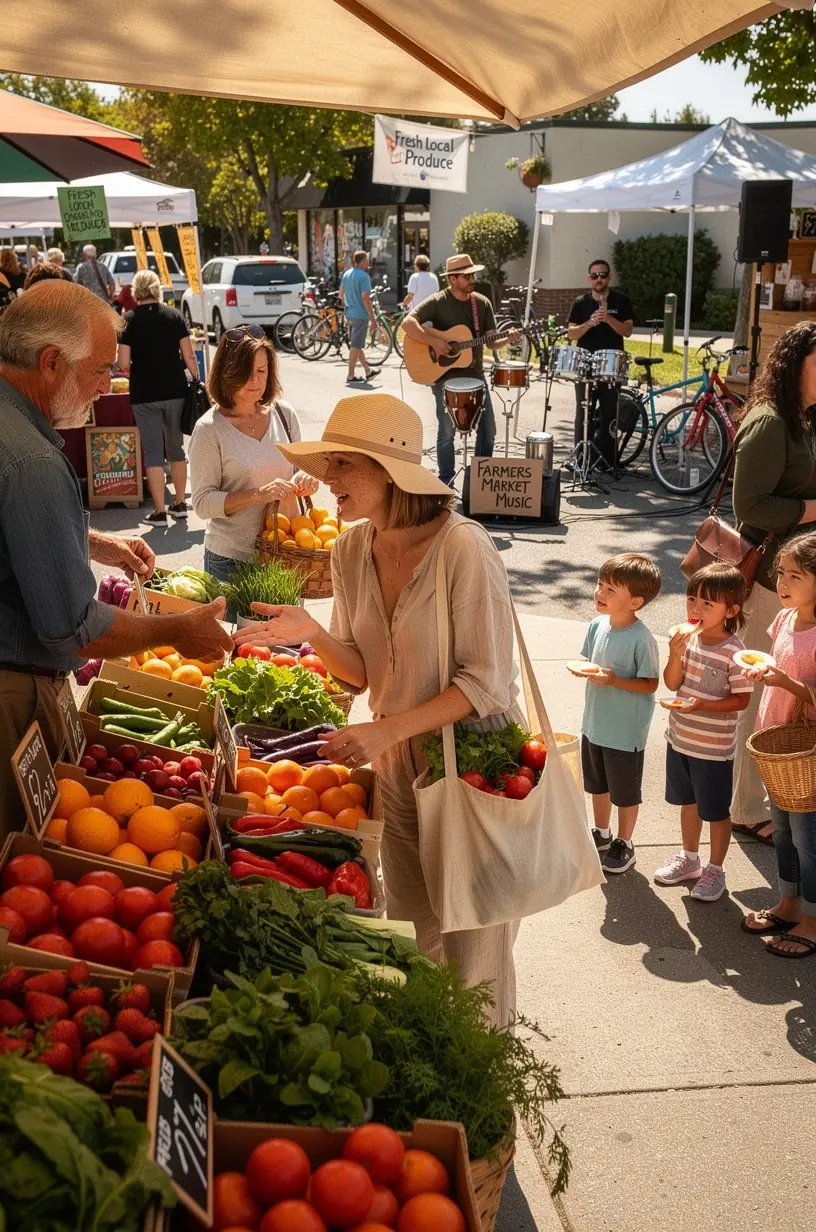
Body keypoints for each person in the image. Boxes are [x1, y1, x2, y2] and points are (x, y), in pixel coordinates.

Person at [233, 393, 522, 1025]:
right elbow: (363, 669)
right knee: (415, 938)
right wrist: (310, 632)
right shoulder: (349, 549)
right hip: (398, 773)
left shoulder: (462, 549)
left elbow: (488, 684)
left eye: (343, 466)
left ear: (390, 474)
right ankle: (432, 1069)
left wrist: (381, 730)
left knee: (475, 956)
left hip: (470, 777)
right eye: (329, 465)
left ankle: (483, 1090)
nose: (328, 479)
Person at [0, 280, 232, 839]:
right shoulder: (30, 460)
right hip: (11, 690)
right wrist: (177, 629)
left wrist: (90, 541)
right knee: (16, 855)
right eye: (101, 370)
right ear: (51, 362)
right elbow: (71, 632)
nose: (109, 387)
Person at [731, 321, 816, 845]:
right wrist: (809, 508)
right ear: (796, 364)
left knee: (789, 697)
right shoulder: (768, 422)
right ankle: (744, 805)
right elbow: (749, 505)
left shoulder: (802, 420)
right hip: (769, 581)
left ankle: (782, 792)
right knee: (761, 699)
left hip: (798, 578)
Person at [188, 324, 318, 602]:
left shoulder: (284, 414)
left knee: (288, 645)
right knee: (239, 644)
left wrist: (306, 479)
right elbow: (202, 503)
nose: (255, 381)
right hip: (232, 561)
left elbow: (299, 467)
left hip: (285, 554)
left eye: (262, 371)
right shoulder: (209, 429)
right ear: (226, 372)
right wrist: (259, 494)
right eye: (246, 372)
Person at [655, 565, 752, 902]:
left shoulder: (734, 652)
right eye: (692, 599)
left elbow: (741, 699)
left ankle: (715, 869)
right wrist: (675, 653)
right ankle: (689, 858)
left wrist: (701, 705)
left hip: (713, 748)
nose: (695, 609)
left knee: (715, 811)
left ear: (731, 611)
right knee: (688, 803)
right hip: (680, 738)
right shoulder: (688, 639)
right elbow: (671, 683)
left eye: (708, 604)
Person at [741, 533, 816, 956]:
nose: (783, 582)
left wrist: (785, 681)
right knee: (783, 829)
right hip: (778, 744)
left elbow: (796, 680)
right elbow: (777, 660)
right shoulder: (786, 619)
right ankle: (789, 902)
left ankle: (813, 918)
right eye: (781, 573)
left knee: (809, 836)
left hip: (809, 750)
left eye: (796, 575)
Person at [401, 253, 519, 489]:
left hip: (474, 375)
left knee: (488, 430)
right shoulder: (438, 301)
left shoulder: (481, 303)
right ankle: (446, 480)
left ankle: (480, 480)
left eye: (472, 275)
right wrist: (433, 342)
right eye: (466, 276)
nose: (471, 279)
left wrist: (508, 339)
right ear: (452, 279)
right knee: (447, 431)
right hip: (444, 376)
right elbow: (408, 324)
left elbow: (490, 342)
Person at [575, 553, 661, 875]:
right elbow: (590, 661)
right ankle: (601, 832)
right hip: (595, 724)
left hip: (625, 733)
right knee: (597, 785)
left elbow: (651, 683)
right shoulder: (596, 625)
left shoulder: (642, 639)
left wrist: (614, 680)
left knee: (624, 791)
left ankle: (625, 842)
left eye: (611, 590)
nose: (600, 593)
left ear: (635, 601)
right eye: (600, 585)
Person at [117, 269, 199, 525]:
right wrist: (196, 380)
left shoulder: (128, 320)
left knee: (153, 452)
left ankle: (160, 511)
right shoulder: (174, 316)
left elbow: (123, 363)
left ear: (136, 291)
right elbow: (189, 355)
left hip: (144, 393)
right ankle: (180, 504)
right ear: (157, 289)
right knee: (176, 448)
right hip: (175, 390)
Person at [567, 259, 634, 470]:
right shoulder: (580, 302)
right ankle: (581, 459)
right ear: (589, 279)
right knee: (583, 411)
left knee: (609, 413)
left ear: (609, 277)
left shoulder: (621, 301)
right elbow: (571, 333)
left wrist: (608, 319)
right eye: (595, 276)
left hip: (612, 364)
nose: (599, 279)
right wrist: (590, 323)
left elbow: (628, 331)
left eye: (603, 275)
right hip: (586, 363)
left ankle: (606, 461)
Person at [339, 250, 380, 384]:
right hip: (360, 316)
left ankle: (368, 371)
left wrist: (350, 302)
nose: (368, 262)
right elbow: (365, 299)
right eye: (367, 260)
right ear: (362, 261)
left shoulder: (346, 274)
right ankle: (350, 375)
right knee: (355, 347)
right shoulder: (364, 276)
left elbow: (341, 295)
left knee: (357, 345)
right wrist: (373, 320)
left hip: (349, 314)